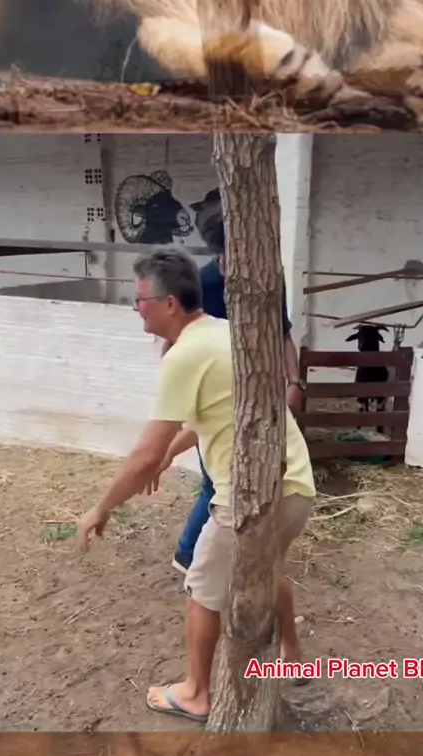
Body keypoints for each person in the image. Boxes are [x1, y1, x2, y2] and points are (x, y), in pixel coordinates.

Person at [77, 246, 316, 724]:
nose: (137, 309)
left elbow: (143, 457)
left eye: (140, 300)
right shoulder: (223, 333)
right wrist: (171, 452)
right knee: (266, 569)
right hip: (294, 487)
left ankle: (196, 693)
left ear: (169, 303)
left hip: (248, 499)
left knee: (202, 588)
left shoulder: (184, 355)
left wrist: (100, 508)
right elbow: (212, 413)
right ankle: (293, 657)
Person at [167, 214, 306, 575]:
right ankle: (188, 554)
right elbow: (175, 342)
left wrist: (294, 382)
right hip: (216, 397)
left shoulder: (268, 279)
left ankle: (232, 549)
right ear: (219, 250)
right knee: (217, 480)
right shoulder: (202, 284)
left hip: (260, 395)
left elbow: (282, 332)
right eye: (228, 252)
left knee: (250, 474)